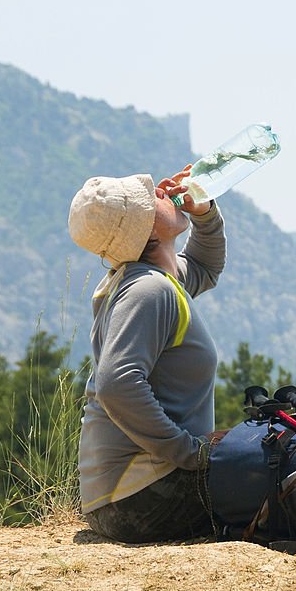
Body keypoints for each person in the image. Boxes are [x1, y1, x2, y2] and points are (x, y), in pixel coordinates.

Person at [67, 166, 228, 543]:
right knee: (275, 476)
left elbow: (205, 267)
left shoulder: (155, 279)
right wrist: (191, 453)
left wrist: (205, 213)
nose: (160, 191)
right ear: (148, 229)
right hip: (140, 498)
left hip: (127, 494)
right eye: (150, 199)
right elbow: (116, 384)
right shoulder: (148, 291)